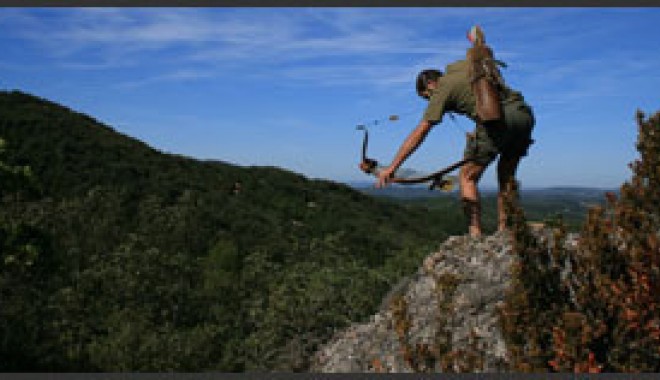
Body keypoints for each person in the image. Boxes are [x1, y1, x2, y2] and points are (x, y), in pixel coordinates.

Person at [376, 60, 535, 237]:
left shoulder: (443, 86)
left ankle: (475, 236)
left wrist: (392, 167)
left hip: (497, 121)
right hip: (523, 115)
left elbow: (421, 131)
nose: (430, 100)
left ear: (431, 84)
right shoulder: (468, 71)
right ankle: (506, 231)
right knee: (506, 176)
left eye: (427, 96)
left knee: (467, 177)